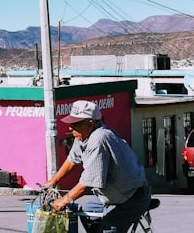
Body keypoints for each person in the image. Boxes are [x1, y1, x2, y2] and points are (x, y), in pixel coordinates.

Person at [43, 100, 151, 233]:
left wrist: (65, 200)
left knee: (108, 227)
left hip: (131, 196)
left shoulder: (99, 138)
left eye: (75, 124)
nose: (70, 128)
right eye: (71, 123)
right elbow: (72, 160)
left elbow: (88, 181)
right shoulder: (82, 136)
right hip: (111, 196)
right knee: (89, 211)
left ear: (90, 123)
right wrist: (54, 181)